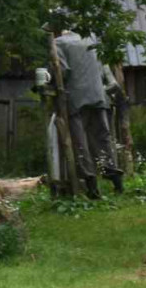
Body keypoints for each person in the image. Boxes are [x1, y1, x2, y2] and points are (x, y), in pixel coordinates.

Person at [53, 28, 124, 198]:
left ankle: (92, 187)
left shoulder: (58, 43)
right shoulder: (91, 39)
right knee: (102, 138)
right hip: (99, 95)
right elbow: (103, 70)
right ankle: (117, 183)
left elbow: (63, 71)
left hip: (76, 98)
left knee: (80, 142)